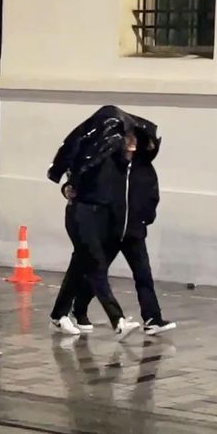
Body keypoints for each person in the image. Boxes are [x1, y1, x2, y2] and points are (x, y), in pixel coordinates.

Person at [46, 107, 142, 340]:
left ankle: (58, 315)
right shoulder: (99, 158)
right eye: (129, 137)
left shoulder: (124, 166)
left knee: (78, 266)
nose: (132, 141)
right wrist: (67, 187)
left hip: (100, 219)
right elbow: (77, 175)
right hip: (82, 215)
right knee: (96, 265)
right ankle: (117, 319)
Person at [70, 133, 176, 335]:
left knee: (143, 275)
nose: (132, 142)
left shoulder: (144, 169)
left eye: (135, 138)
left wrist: (146, 218)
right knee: (98, 273)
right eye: (127, 138)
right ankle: (79, 307)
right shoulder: (111, 166)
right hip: (110, 231)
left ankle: (152, 318)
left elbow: (152, 196)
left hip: (134, 232)